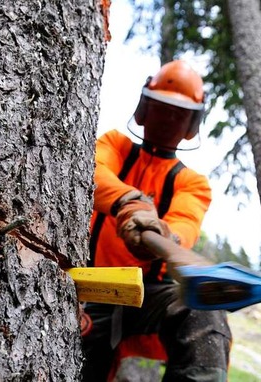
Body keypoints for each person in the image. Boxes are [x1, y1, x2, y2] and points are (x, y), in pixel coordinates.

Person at [82, 60, 232, 381]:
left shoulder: (192, 183)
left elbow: (185, 226)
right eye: (161, 108)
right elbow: (91, 171)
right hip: (89, 286)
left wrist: (163, 236)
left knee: (203, 313)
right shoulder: (115, 145)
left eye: (179, 114)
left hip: (149, 297)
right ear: (143, 110)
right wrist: (129, 202)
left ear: (192, 126)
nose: (168, 119)